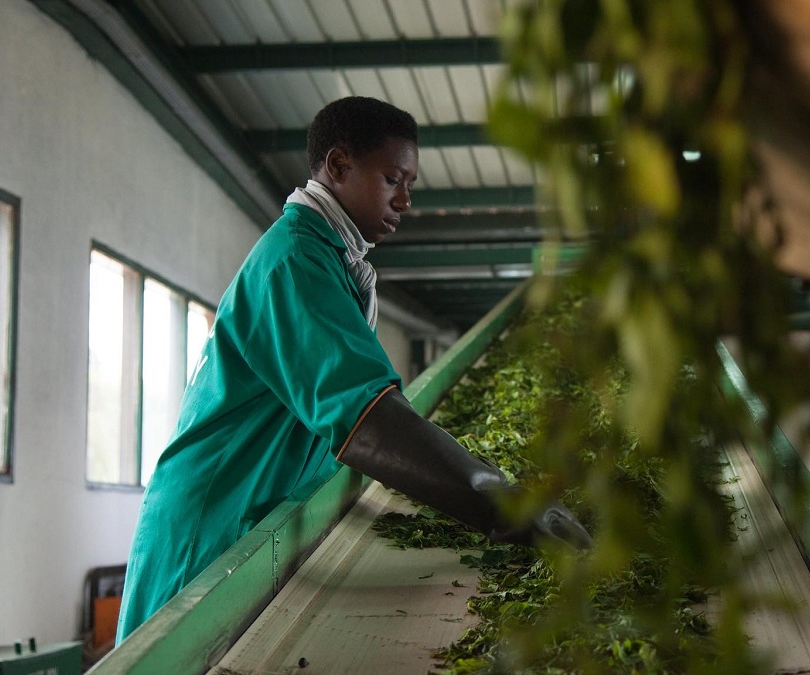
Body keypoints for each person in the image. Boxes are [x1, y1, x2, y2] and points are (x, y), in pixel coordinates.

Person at [115, 96, 591, 644]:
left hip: (250, 503)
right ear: (339, 167)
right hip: (212, 523)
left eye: (409, 184)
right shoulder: (294, 261)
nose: (405, 200)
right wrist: (505, 505)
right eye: (393, 179)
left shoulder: (330, 258)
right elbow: (368, 417)